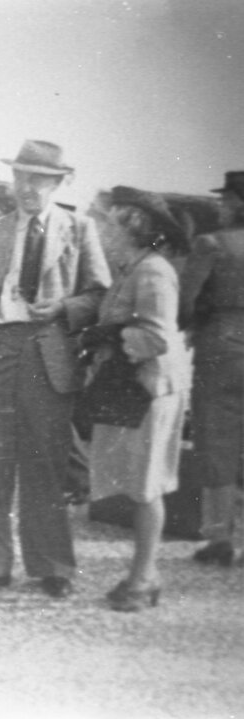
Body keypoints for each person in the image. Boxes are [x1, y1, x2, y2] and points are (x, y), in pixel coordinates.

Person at [0, 139, 111, 599]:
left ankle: (53, 567)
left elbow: (101, 294)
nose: (27, 188)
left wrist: (63, 307)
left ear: (59, 183)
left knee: (45, 464)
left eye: (38, 180)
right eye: (21, 177)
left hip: (48, 351)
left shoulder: (79, 230)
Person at [83, 187, 192, 611]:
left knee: (147, 487)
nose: (104, 229)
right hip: (139, 386)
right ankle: (143, 574)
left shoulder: (152, 272)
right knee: (139, 484)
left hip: (152, 389)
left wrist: (113, 336)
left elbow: (158, 337)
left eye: (110, 222)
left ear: (131, 226)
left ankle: (144, 578)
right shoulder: (134, 267)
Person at [180, 171, 244, 567]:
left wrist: (194, 323)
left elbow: (186, 301)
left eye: (225, 200)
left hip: (221, 345)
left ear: (239, 202)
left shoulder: (211, 244)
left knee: (216, 440)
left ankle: (220, 539)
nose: (220, 207)